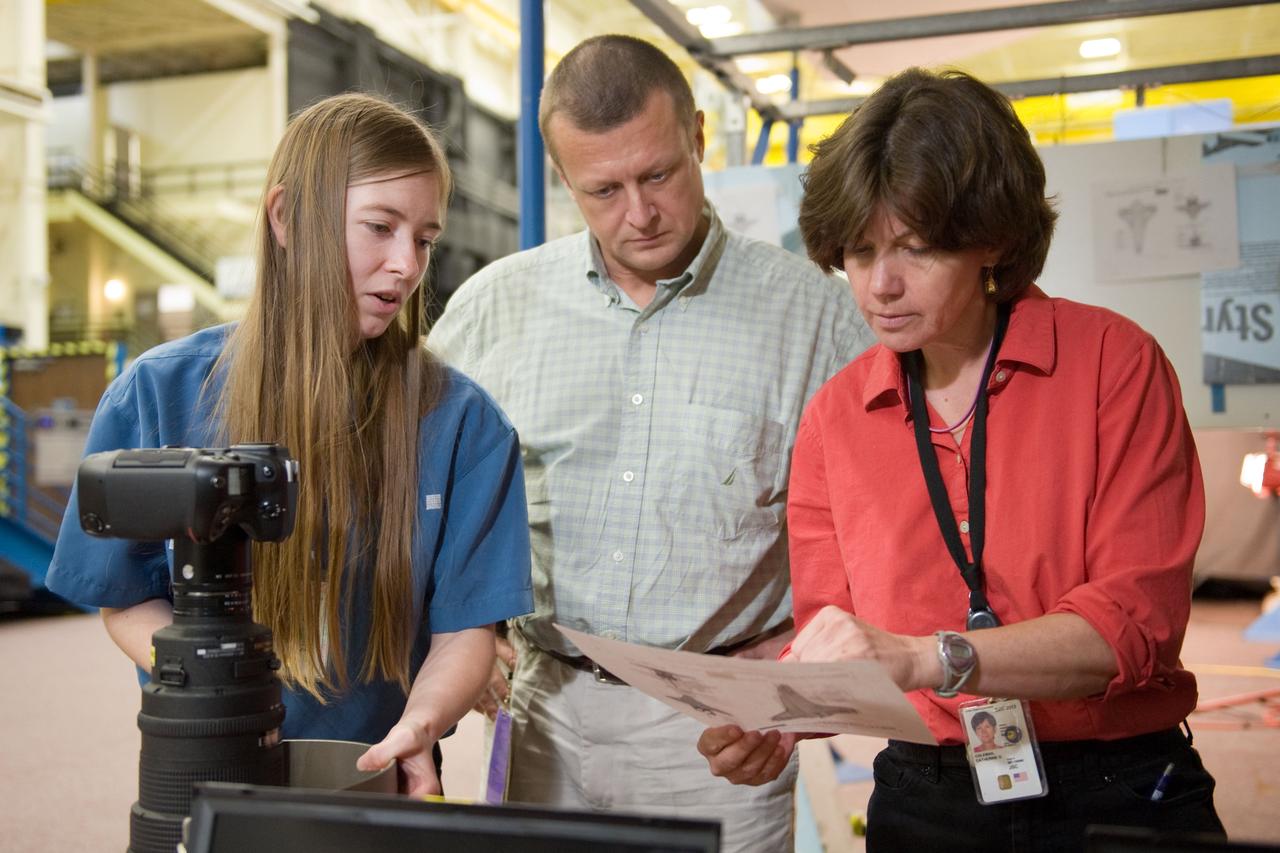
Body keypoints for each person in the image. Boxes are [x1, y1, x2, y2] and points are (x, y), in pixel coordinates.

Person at [698, 68, 1225, 851]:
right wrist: (785, 721)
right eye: (860, 250)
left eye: (914, 247)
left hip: (1117, 783)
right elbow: (839, 639)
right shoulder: (837, 418)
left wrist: (925, 656)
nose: (880, 284)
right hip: (929, 793)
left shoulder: (1113, 365)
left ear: (995, 238)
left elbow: (1132, 627)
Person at [428, 34, 871, 853]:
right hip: (545, 707)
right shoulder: (495, 308)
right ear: (566, 182)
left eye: (658, 173)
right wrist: (458, 630)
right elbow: (424, 488)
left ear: (699, 138)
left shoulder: (815, 318)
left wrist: (798, 671)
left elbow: (880, 529)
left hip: (717, 728)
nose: (638, 212)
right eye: (603, 189)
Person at [45, 93, 533, 797]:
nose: (406, 264)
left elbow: (465, 634)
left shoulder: (463, 424)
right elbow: (122, 596)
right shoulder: (158, 393)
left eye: (424, 238)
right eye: (379, 227)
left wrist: (422, 724)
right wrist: (220, 688)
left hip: (379, 772)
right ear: (286, 217)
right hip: (211, 760)